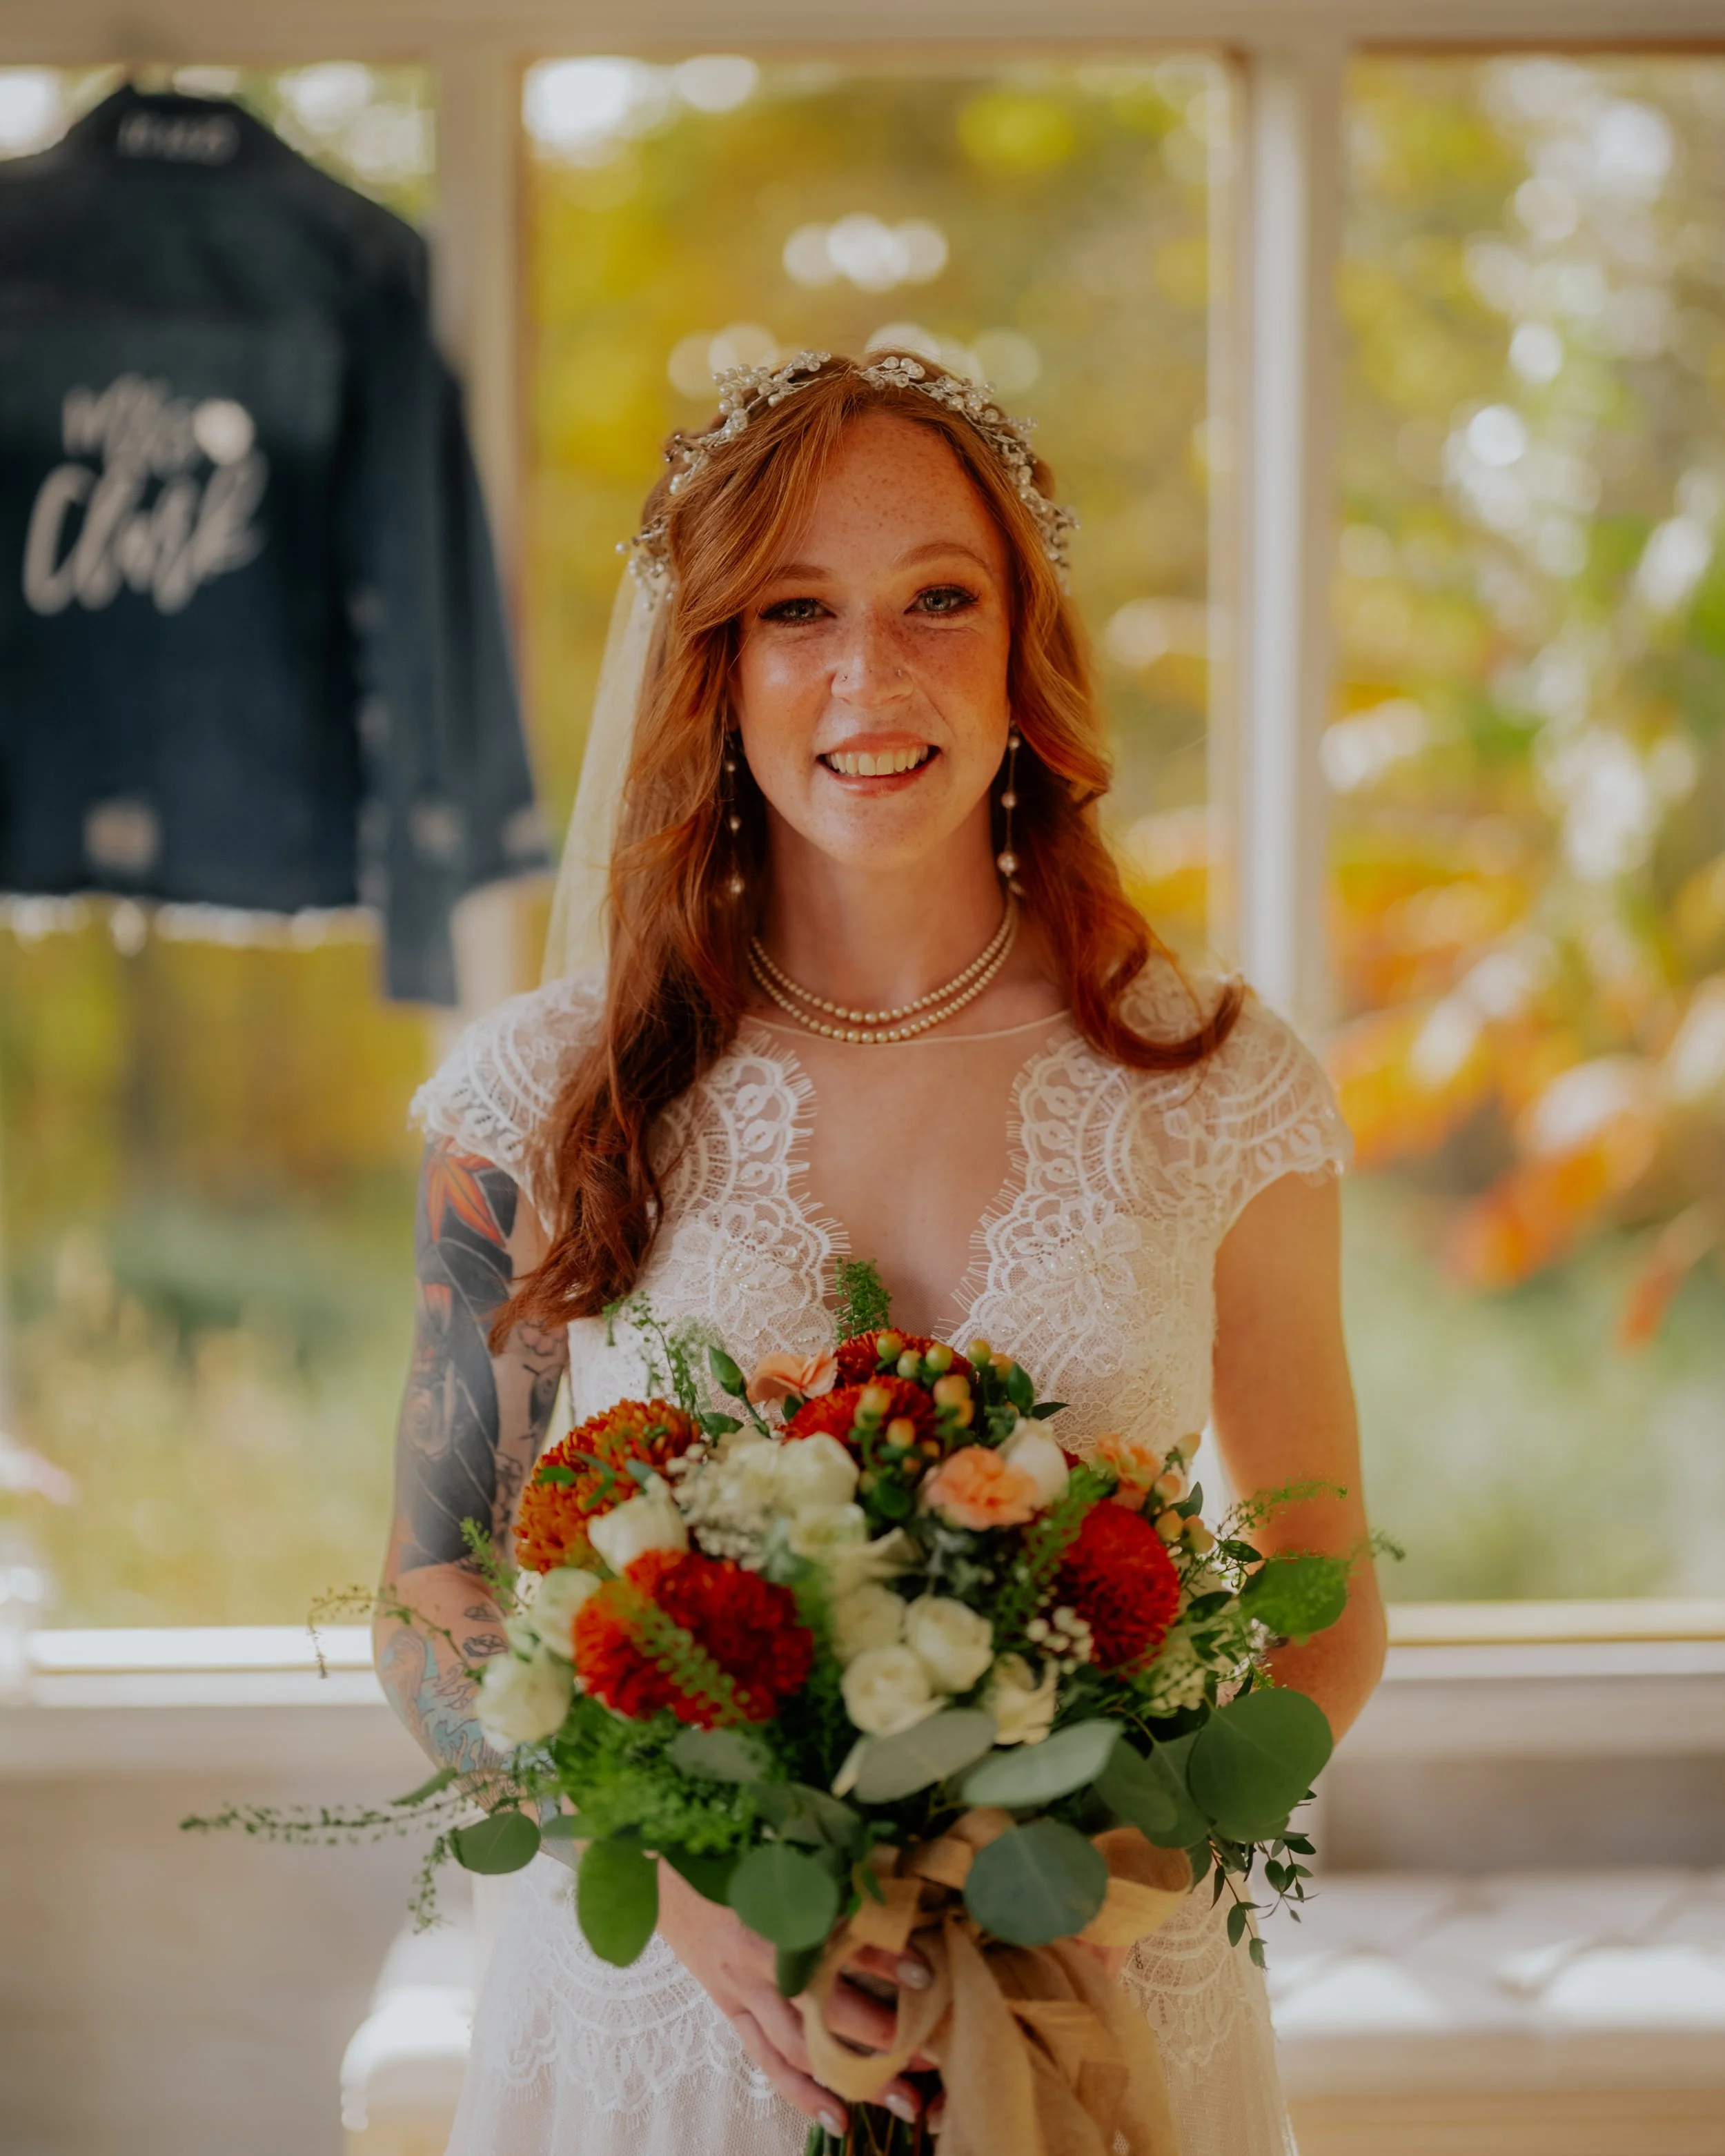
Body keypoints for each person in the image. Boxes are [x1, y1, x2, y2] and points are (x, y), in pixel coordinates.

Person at [377, 352, 1385, 2156]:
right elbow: (431, 1587)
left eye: (939, 596)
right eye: (794, 610)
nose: (871, 672)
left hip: (1094, 1995)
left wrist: (1117, 1851)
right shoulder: (544, 1092)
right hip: (663, 2025)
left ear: (1021, 646)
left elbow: (1323, 1574)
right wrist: (662, 1865)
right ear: (717, 664)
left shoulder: (1217, 1083)